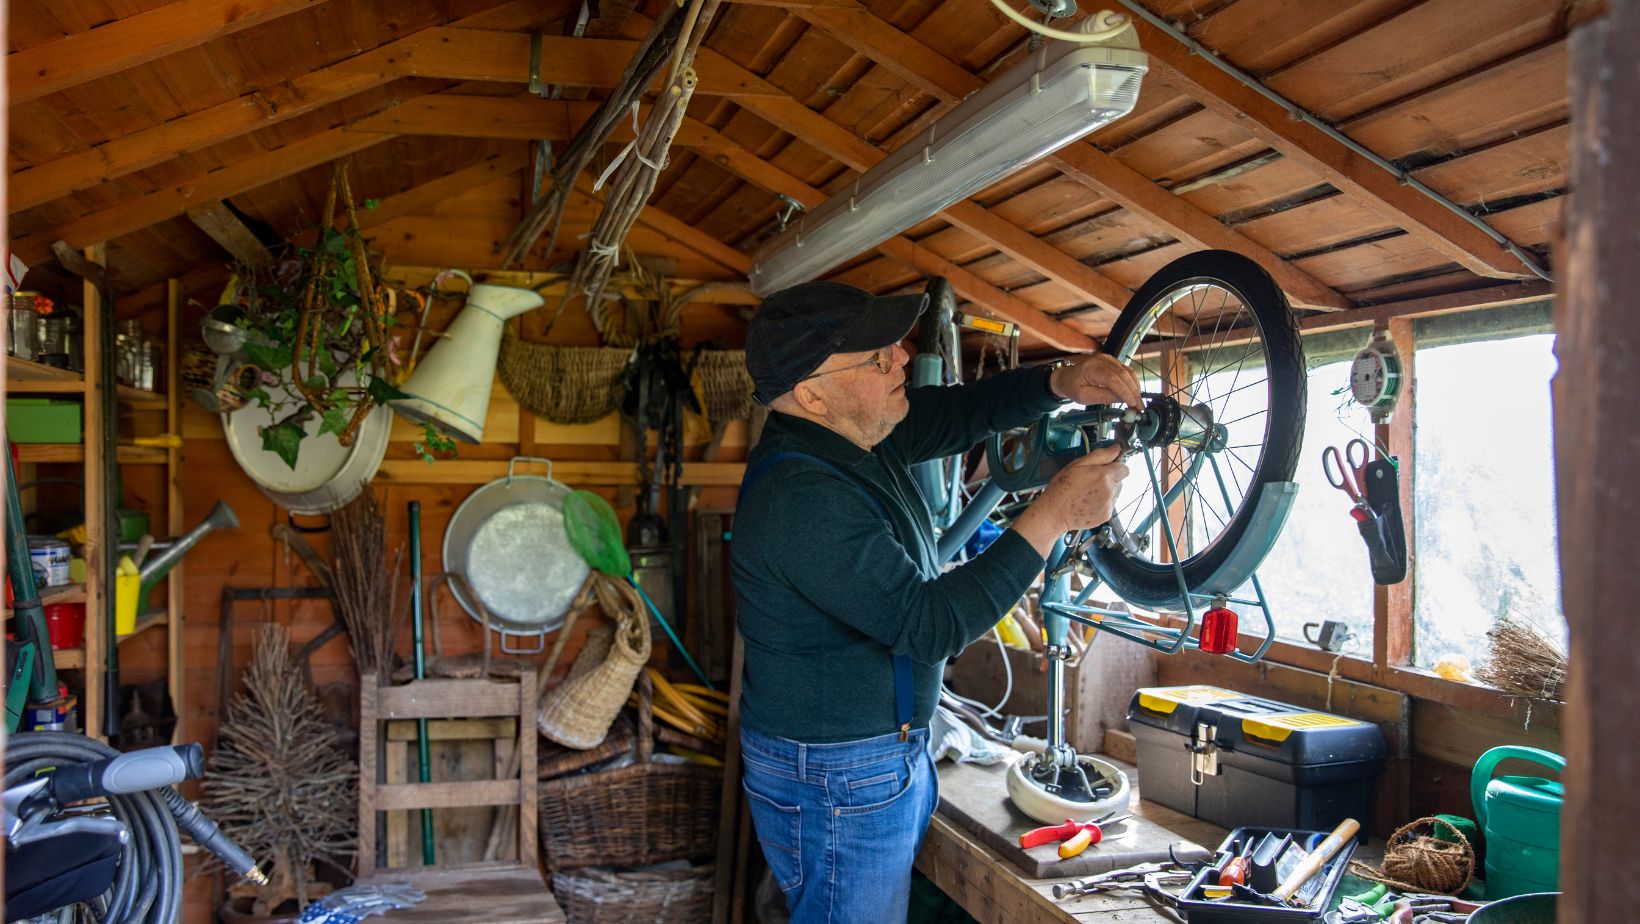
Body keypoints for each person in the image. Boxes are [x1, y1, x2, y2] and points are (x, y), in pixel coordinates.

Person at [731, 280, 1141, 923]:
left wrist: (1059, 381)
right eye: (876, 358)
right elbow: (929, 625)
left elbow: (956, 412)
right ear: (812, 394)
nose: (900, 357)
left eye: (891, 344)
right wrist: (1052, 515)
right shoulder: (801, 497)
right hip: (839, 778)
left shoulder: (855, 430)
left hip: (876, 757)